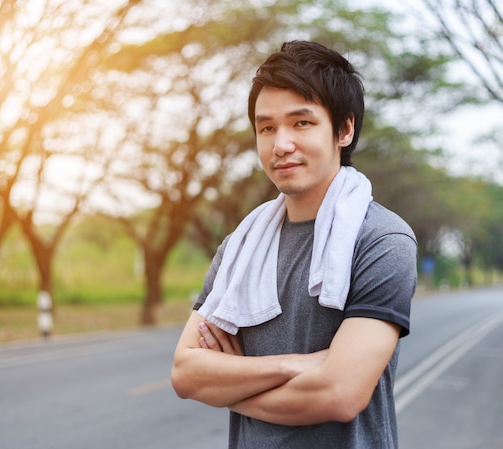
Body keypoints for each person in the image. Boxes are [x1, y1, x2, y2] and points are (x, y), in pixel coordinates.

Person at [171, 41, 417, 449]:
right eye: (266, 127)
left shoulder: (381, 240)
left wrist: (232, 382)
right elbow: (186, 374)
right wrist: (300, 365)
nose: (280, 144)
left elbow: (339, 395)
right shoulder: (240, 247)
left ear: (344, 129)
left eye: (301, 123)